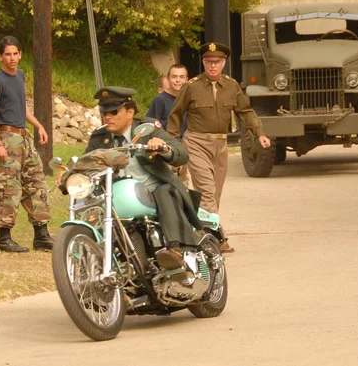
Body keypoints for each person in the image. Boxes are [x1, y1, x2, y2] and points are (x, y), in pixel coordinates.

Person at [84, 86, 204, 269]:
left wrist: (163, 148)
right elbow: (86, 162)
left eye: (113, 111)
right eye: (103, 112)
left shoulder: (147, 128)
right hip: (119, 198)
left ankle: (175, 251)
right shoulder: (100, 137)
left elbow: (181, 153)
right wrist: (69, 173)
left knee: (165, 191)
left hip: (154, 193)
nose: (107, 117)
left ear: (130, 112)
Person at [167, 42, 271, 251]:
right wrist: (172, 145)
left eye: (217, 62)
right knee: (206, 190)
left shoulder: (231, 86)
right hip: (196, 142)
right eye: (208, 62)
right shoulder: (192, 86)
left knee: (214, 195)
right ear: (203, 63)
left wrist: (260, 133)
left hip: (220, 144)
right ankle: (216, 239)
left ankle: (199, 231)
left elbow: (245, 112)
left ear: (224, 63)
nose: (212, 66)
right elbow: (176, 114)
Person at [0, 36, 53, 253]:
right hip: (6, 137)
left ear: (20, 54)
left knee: (36, 182)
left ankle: (41, 234)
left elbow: (22, 106)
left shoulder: (19, 76)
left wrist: (39, 126)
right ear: (0, 56)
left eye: (15, 54)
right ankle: (3, 238)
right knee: (8, 188)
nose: (12, 58)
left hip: (24, 138)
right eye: (7, 54)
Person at [147, 64, 188, 130]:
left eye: (181, 77)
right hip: (166, 139)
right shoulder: (160, 100)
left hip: (186, 139)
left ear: (186, 79)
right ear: (168, 78)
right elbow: (151, 124)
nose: (178, 80)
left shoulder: (189, 99)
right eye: (174, 77)